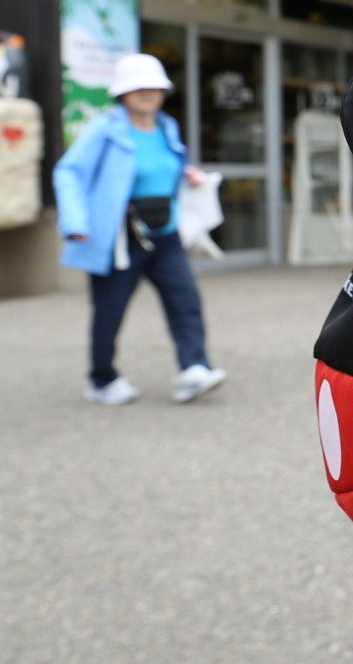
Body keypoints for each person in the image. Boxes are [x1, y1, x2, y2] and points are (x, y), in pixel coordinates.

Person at [53, 52, 226, 407]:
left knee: (186, 301)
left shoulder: (167, 126)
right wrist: (74, 221)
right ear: (123, 92)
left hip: (165, 234)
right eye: (139, 87)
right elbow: (68, 172)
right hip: (121, 238)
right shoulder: (105, 128)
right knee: (110, 311)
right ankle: (102, 380)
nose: (148, 93)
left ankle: (194, 369)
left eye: (154, 87)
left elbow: (165, 168)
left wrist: (188, 175)